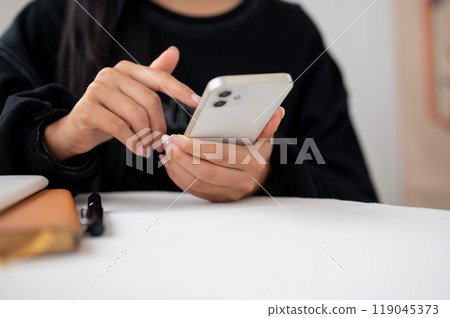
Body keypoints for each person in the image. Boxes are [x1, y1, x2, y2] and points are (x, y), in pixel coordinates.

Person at [0, 0, 378, 202]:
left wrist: (267, 176)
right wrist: (60, 138)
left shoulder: (292, 32)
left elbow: (355, 197)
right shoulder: (54, 17)